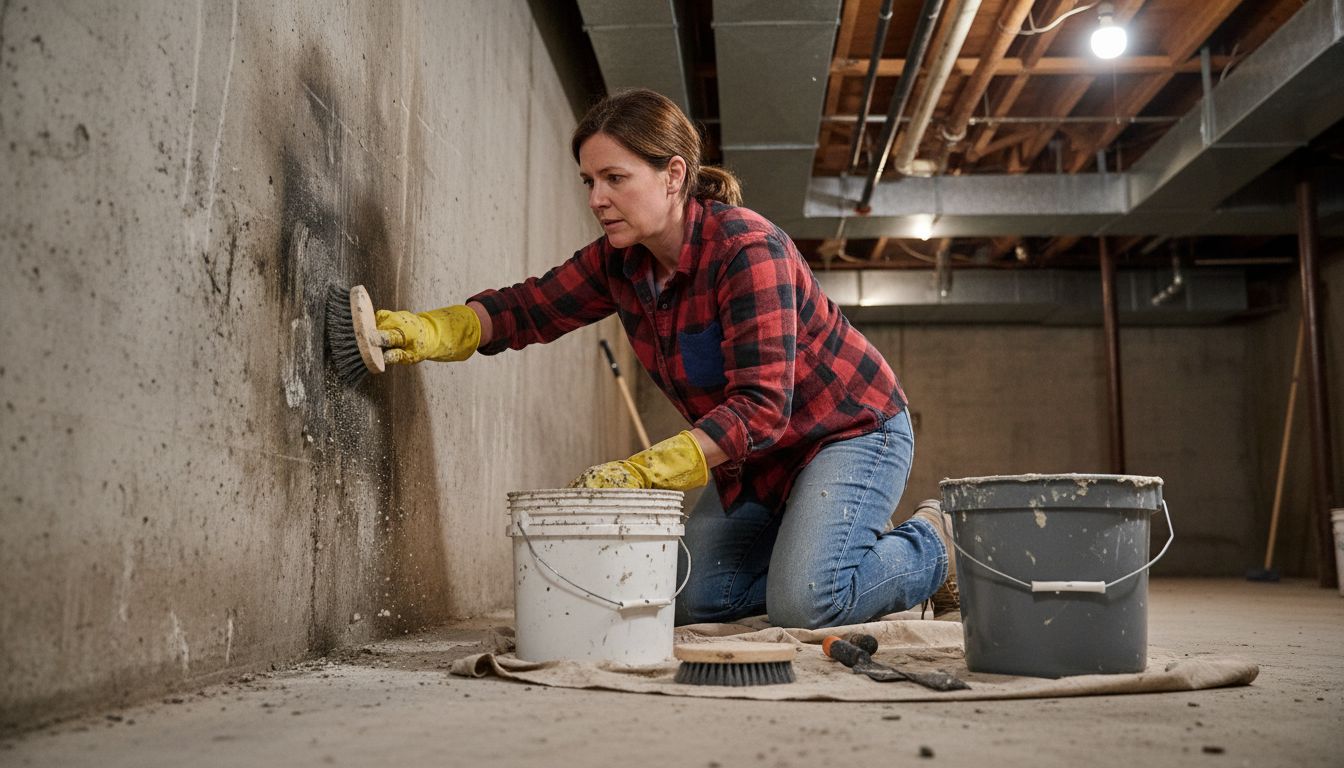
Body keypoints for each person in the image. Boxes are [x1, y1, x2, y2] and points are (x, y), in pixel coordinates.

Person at [371, 88, 957, 629]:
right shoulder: (620, 262)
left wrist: (642, 474)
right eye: (589, 182)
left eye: (616, 178)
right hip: (761, 456)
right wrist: (437, 329)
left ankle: (933, 547)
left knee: (808, 604)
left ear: (673, 175)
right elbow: (530, 309)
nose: (598, 199)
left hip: (849, 431)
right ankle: (815, 557)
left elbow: (759, 409)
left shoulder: (747, 251)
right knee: (691, 599)